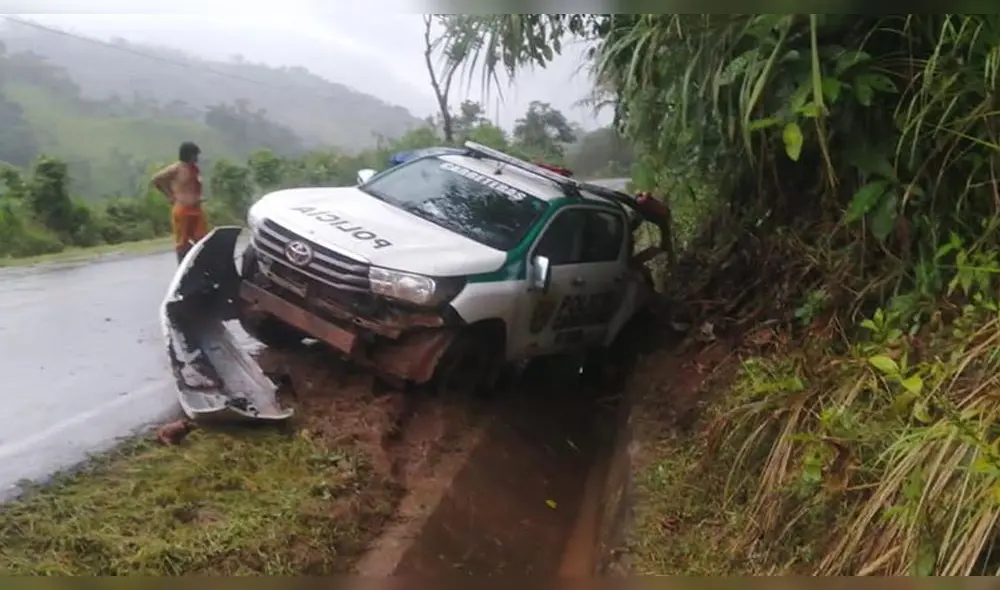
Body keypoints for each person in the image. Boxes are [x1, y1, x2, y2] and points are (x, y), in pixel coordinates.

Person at [152, 142, 209, 263]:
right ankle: (183, 268)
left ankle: (201, 267)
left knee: (203, 239)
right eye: (195, 155)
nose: (197, 158)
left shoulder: (195, 169)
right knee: (182, 242)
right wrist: (170, 195)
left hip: (196, 209)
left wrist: (199, 197)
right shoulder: (176, 168)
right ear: (189, 155)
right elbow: (156, 179)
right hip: (182, 209)